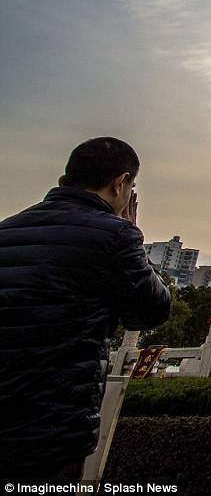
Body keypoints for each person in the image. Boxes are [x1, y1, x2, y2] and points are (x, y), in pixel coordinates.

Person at [0, 137, 171, 481]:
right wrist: (133, 235)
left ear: (64, 180)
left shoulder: (6, 230)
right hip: (50, 429)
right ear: (120, 183)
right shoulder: (116, 236)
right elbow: (150, 312)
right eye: (130, 187)